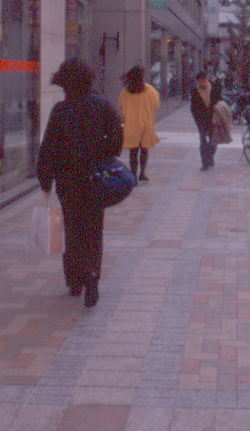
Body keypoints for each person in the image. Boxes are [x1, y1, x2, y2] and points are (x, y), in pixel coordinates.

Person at [37, 58, 123, 308]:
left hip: (68, 182)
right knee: (94, 229)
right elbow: (117, 141)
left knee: (72, 229)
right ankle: (92, 277)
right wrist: (102, 155)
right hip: (95, 179)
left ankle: (74, 280)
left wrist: (45, 178)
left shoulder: (60, 110)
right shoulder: (103, 105)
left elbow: (48, 148)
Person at [119, 65, 160, 182]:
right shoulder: (151, 91)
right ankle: (142, 173)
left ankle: (133, 175)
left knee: (133, 152)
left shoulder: (125, 92)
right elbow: (156, 106)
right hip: (147, 124)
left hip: (131, 125)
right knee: (144, 150)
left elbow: (121, 105)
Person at [191, 70, 222, 171]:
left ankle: (210, 157)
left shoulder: (214, 88)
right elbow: (193, 108)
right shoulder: (195, 91)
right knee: (203, 141)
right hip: (201, 121)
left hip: (213, 120)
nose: (201, 83)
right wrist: (198, 120)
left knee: (213, 141)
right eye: (199, 81)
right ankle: (205, 163)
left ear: (206, 79)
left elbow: (219, 103)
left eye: (203, 81)